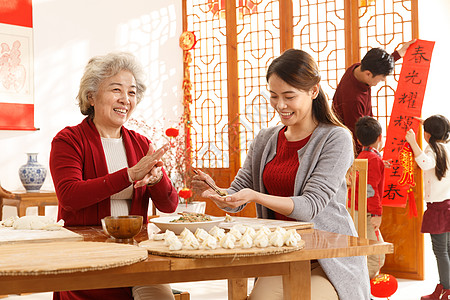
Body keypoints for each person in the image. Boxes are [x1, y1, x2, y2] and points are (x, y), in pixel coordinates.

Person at [193, 49, 370, 299]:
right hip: (281, 255)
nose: (280, 105)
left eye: (289, 96)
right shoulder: (265, 139)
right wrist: (218, 194)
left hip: (327, 261)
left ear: (313, 91)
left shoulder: (335, 138)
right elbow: (237, 196)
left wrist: (255, 196)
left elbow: (310, 206)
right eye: (274, 96)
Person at [50, 52, 179, 300]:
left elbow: (169, 205)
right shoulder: (68, 140)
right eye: (116, 89)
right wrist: (129, 174)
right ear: (91, 96)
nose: (125, 99)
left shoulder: (141, 144)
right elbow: (70, 197)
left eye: (132, 92)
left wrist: (156, 179)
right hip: (87, 257)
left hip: (138, 257)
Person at [332, 40, 416, 154]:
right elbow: (358, 138)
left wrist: (399, 53)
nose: (383, 80)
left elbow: (377, 65)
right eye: (381, 78)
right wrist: (373, 154)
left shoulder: (357, 69)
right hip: (349, 146)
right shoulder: (353, 100)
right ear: (368, 74)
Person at [405, 115, 450, 300]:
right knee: (446, 249)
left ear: (428, 134)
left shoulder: (433, 150)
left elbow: (425, 163)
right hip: (448, 205)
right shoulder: (445, 147)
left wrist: (412, 142)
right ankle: (444, 287)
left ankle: (447, 289)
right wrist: (427, 125)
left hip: (438, 208)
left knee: (441, 251)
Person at [354, 116, 386, 279]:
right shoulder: (374, 160)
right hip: (366, 212)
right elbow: (370, 190)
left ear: (359, 141)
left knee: (365, 253)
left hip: (355, 211)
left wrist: (381, 163)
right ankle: (361, 292)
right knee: (377, 255)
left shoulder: (362, 157)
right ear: (380, 137)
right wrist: (376, 214)